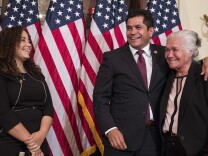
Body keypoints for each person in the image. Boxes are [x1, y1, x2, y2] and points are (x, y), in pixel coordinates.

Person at [93, 9, 208, 156]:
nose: (132, 32)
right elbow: (100, 98)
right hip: (120, 139)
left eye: (138, 27)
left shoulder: (164, 55)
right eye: (129, 28)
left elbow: (186, 63)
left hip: (154, 140)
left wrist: (206, 60)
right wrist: (110, 129)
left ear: (151, 30)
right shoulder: (112, 58)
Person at [0, 26, 54, 156]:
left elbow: (48, 107)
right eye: (23, 40)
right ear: (10, 43)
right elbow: (3, 113)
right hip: (11, 144)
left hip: (39, 142)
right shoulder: (1, 73)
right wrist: (33, 145)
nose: (29, 44)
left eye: (29, 40)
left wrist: (41, 134)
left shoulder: (36, 74)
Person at [159, 30, 208, 156]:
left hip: (196, 151)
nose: (169, 55)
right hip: (166, 147)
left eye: (175, 49)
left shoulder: (204, 76)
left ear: (190, 52)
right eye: (167, 50)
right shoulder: (165, 75)